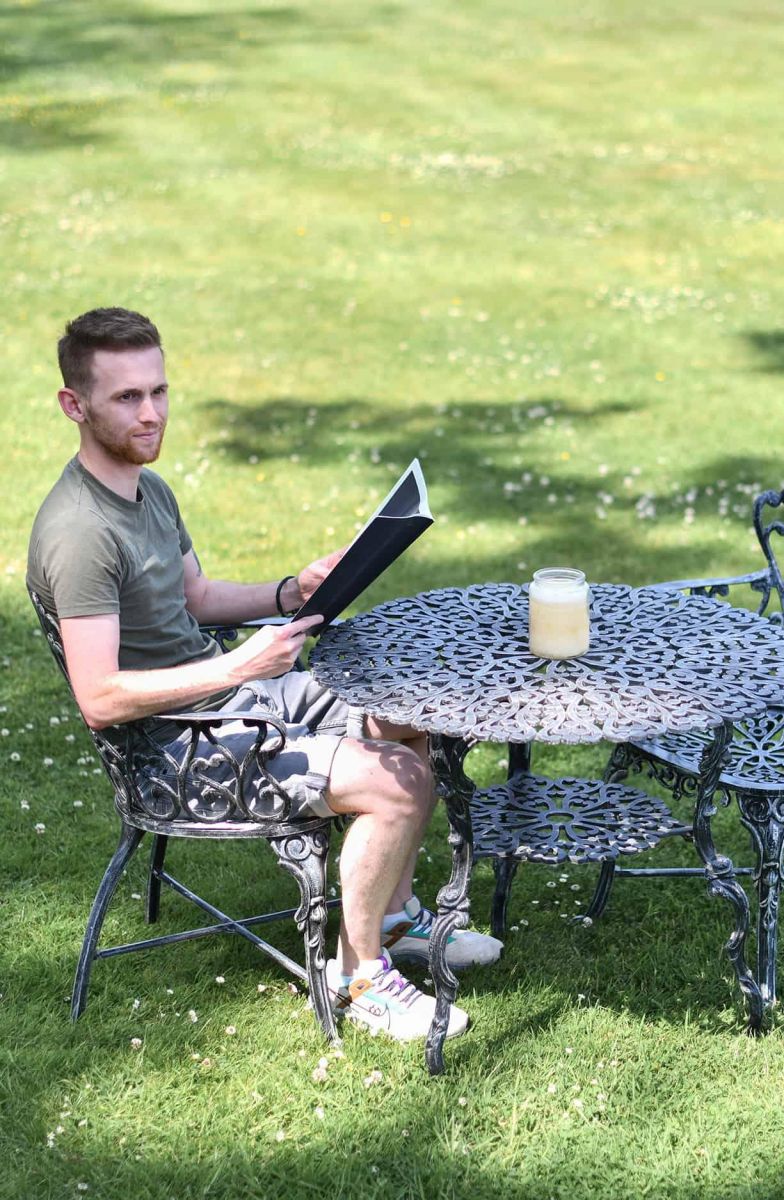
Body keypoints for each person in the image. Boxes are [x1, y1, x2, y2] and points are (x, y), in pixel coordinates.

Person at [26, 307, 501, 1042]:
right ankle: (361, 974)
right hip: (178, 745)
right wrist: (242, 660)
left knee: (417, 710)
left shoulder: (147, 491)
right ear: (74, 405)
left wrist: (290, 595)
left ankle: (396, 916)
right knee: (397, 782)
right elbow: (99, 699)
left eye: (158, 391)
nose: (151, 413)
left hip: (235, 696)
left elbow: (196, 599)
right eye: (127, 398)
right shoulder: (81, 533)